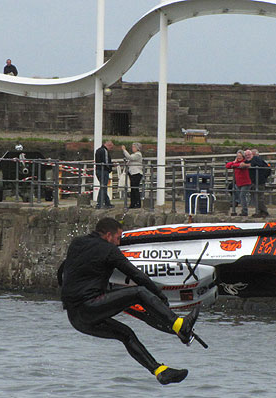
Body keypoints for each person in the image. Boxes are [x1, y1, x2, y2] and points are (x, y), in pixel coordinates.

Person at [57, 217, 200, 385]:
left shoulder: (76, 244)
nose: (118, 243)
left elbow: (62, 272)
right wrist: (161, 297)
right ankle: (179, 325)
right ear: (109, 236)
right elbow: (136, 275)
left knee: (126, 334)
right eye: (118, 238)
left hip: (76, 318)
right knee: (138, 293)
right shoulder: (109, 250)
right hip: (90, 306)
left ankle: (160, 372)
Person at [245, 148, 270, 218]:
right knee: (255, 198)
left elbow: (266, 169)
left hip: (260, 181)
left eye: (249, 154)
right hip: (253, 181)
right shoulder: (248, 161)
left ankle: (264, 211)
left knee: (259, 198)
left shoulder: (257, 159)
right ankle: (259, 211)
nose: (247, 156)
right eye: (246, 155)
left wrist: (264, 177)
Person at [226, 150, 251, 216]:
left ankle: (244, 211)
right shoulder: (236, 162)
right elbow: (227, 166)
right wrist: (234, 162)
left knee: (242, 196)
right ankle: (236, 209)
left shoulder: (245, 162)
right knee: (237, 194)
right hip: (238, 182)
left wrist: (234, 165)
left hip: (245, 182)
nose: (239, 157)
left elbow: (241, 165)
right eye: (238, 156)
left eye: (240, 156)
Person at [121, 142, 143, 208]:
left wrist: (124, 150)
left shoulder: (138, 154)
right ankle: (133, 203)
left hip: (136, 173)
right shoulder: (134, 154)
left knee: (135, 189)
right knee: (133, 189)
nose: (132, 148)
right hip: (132, 173)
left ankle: (137, 203)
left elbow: (130, 157)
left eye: (133, 147)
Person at [95, 140, 115, 209]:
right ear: (108, 145)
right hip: (103, 171)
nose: (111, 149)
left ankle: (107, 202)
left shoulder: (98, 150)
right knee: (103, 187)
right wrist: (111, 166)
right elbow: (106, 162)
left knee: (103, 186)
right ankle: (99, 203)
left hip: (98, 170)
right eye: (111, 147)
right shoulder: (104, 151)